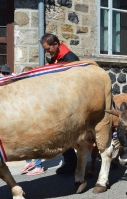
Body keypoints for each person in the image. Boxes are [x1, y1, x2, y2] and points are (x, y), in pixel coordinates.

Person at [40, 33, 79, 175]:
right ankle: (71, 162)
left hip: (70, 103)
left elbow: (75, 83)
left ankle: (72, 163)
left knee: (65, 133)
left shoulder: (70, 58)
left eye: (48, 48)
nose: (47, 51)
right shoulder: (56, 57)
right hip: (60, 101)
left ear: (55, 44)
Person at [19, 66, 45, 175]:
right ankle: (29, 162)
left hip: (35, 120)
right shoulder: (25, 86)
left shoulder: (36, 87)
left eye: (26, 75)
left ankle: (38, 166)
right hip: (27, 118)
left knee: (36, 142)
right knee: (26, 141)